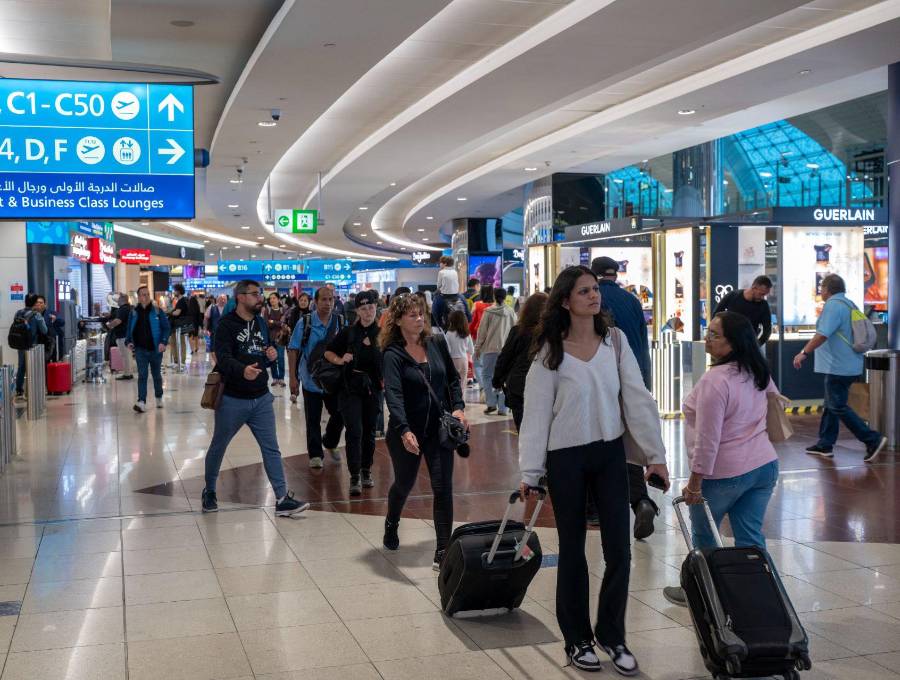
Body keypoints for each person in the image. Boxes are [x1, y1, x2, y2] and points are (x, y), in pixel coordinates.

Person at [519, 265, 670, 674]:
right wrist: (530, 474)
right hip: (565, 459)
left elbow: (637, 401)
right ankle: (577, 639)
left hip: (609, 455)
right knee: (572, 552)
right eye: (584, 291)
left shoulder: (615, 343)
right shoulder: (550, 354)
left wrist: (655, 454)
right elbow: (535, 418)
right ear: (565, 301)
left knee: (619, 550)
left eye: (594, 290)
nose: (594, 296)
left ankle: (613, 635)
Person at [663, 312, 783, 607]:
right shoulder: (758, 370)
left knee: (705, 536)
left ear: (733, 343)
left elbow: (708, 439)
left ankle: (703, 594)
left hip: (724, 474)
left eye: (715, 334)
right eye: (709, 331)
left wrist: (694, 483)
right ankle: (759, 592)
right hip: (763, 466)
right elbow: (775, 401)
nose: (708, 337)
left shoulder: (715, 381)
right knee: (750, 535)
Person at [200, 280, 309, 517]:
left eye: (259, 294)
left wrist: (270, 355)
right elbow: (222, 358)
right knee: (219, 445)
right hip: (232, 398)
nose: (259, 298)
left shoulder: (260, 322)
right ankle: (209, 490)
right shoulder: (226, 325)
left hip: (260, 398)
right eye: (254, 294)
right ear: (240, 297)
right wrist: (242, 371)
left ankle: (281, 498)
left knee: (271, 449)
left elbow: (264, 351)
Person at [381, 293, 467, 569]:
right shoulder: (393, 354)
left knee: (443, 488)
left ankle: (443, 549)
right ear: (397, 320)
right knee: (404, 484)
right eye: (412, 315)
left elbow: (452, 380)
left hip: (438, 430)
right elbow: (393, 395)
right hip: (406, 432)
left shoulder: (437, 342)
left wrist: (459, 408)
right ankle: (392, 520)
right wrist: (404, 429)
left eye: (421, 313)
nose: (419, 319)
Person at [591, 256, 660, 540]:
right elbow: (642, 344)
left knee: (598, 444)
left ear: (594, 276)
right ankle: (640, 500)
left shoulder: (592, 300)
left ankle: (596, 508)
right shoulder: (632, 301)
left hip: (604, 384)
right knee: (629, 447)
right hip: (635, 380)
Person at [793, 273, 886, 462]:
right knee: (831, 404)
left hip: (838, 366)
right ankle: (825, 444)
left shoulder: (833, 306)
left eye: (822, 289)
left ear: (826, 289)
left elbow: (822, 334)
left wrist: (804, 352)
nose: (821, 292)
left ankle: (872, 439)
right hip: (849, 363)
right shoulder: (849, 304)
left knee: (838, 405)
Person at [324, 289, 382, 496]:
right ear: (357, 310)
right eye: (364, 308)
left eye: (371, 308)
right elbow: (328, 351)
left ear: (377, 307)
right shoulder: (348, 332)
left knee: (369, 432)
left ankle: (366, 470)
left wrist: (374, 346)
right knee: (354, 431)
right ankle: (355, 475)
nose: (368, 312)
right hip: (349, 388)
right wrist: (340, 360)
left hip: (373, 389)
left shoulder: (383, 333)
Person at [288, 286, 345, 468]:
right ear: (316, 301)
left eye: (331, 300)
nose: (328, 303)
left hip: (334, 381)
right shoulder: (305, 323)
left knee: (339, 414)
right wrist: (293, 378)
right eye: (324, 300)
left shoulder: (340, 322)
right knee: (312, 418)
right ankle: (315, 455)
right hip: (311, 380)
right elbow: (293, 350)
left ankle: (329, 441)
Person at [493, 292, 548, 431]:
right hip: (544, 385)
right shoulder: (553, 332)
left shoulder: (519, 331)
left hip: (519, 385)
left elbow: (505, 357)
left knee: (523, 429)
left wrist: (497, 379)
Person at [126, 286, 171, 412]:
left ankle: (159, 396)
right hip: (140, 349)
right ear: (138, 297)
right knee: (142, 375)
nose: (145, 297)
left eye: (147, 294)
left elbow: (166, 328)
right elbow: (129, 328)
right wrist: (129, 341)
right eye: (142, 295)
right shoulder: (134, 312)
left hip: (156, 349)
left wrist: (163, 342)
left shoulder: (157, 311)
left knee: (156, 375)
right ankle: (141, 401)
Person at [474, 287, 517, 416]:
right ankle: (503, 408)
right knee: (504, 378)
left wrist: (477, 348)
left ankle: (491, 403)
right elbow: (515, 330)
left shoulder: (488, 312)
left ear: (494, 296)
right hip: (506, 351)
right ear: (505, 297)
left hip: (490, 350)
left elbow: (482, 332)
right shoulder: (511, 312)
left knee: (487, 376)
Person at [713, 276, 773, 346]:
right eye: (761, 294)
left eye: (765, 295)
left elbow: (767, 330)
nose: (763, 297)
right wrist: (719, 337)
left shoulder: (763, 305)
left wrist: (757, 345)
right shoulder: (733, 296)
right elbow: (716, 315)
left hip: (748, 344)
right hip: (728, 343)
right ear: (754, 287)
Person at [12, 293, 49, 400]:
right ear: (34, 303)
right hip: (32, 345)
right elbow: (44, 330)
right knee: (33, 368)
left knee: (21, 367)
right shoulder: (36, 315)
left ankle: (19, 391)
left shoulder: (18, 313)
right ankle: (33, 390)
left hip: (20, 345)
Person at [263, 293, 288, 387]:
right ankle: (275, 378)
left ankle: (281, 378)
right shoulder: (267, 310)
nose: (272, 300)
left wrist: (273, 321)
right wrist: (277, 323)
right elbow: (266, 324)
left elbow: (283, 323)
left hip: (281, 338)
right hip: (270, 338)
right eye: (270, 298)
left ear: (278, 299)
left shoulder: (283, 310)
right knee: (272, 358)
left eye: (274, 298)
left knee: (281, 357)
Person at [444, 310, 474, 387]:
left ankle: (454, 398)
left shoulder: (449, 333)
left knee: (453, 383)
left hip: (452, 360)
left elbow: (447, 350)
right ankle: (462, 398)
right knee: (463, 383)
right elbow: (471, 350)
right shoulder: (467, 333)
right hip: (464, 360)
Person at [109, 293, 134, 380]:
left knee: (125, 355)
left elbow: (118, 321)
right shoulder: (129, 308)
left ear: (122, 300)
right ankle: (129, 372)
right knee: (128, 355)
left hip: (123, 335)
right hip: (127, 335)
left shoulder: (123, 309)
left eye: (118, 299)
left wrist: (109, 325)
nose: (117, 301)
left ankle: (127, 374)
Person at [167, 283, 190, 371]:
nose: (174, 292)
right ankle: (177, 361)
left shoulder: (181, 301)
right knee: (174, 342)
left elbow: (177, 313)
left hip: (179, 325)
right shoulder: (181, 300)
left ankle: (181, 362)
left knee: (180, 343)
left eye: (175, 290)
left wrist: (169, 312)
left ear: (179, 291)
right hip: (177, 326)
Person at [205, 293, 227, 363]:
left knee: (224, 348)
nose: (223, 301)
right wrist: (205, 329)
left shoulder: (228, 308)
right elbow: (206, 318)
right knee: (213, 349)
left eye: (224, 299)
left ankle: (222, 362)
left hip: (226, 332)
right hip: (214, 331)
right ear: (217, 300)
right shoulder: (212, 307)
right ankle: (217, 363)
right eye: (221, 299)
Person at [187, 292, 203, 356]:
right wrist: (201, 324)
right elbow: (199, 316)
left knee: (190, 336)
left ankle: (192, 349)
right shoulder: (197, 307)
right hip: (196, 323)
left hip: (190, 323)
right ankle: (196, 347)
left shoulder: (188, 308)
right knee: (196, 336)